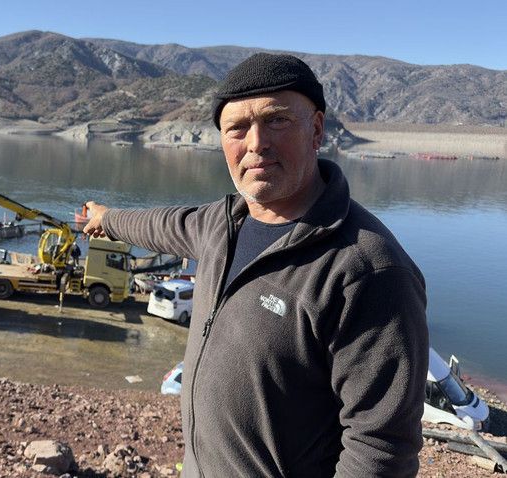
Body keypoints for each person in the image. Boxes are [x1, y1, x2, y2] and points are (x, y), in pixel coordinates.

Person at [83, 53, 428, 477]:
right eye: (237, 128)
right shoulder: (221, 224)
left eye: (277, 120)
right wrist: (107, 219)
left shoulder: (367, 270)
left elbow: (381, 448)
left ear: (317, 129)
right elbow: (160, 224)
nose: (256, 143)